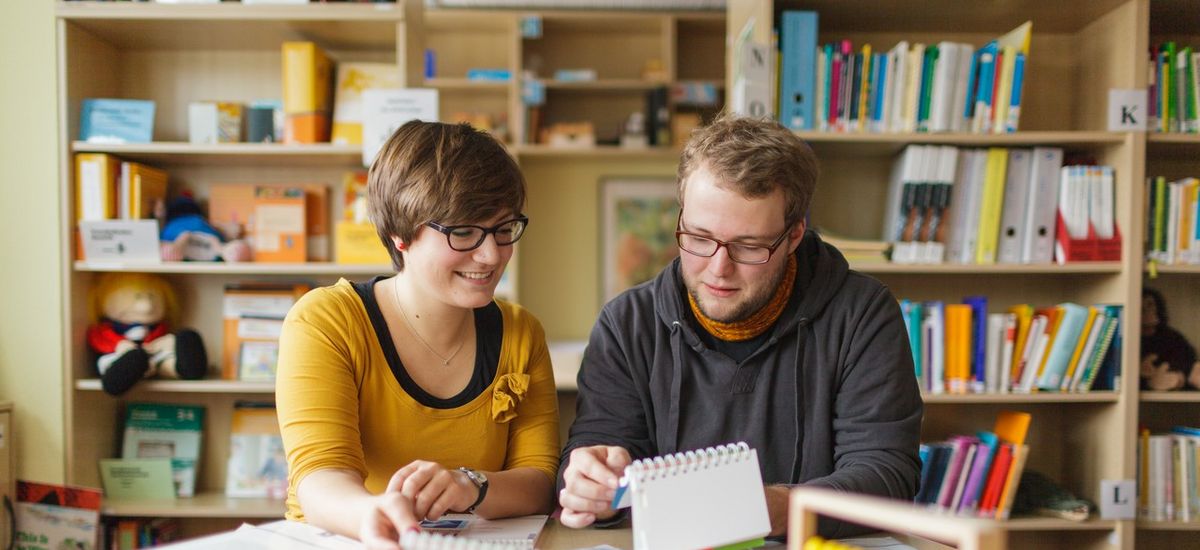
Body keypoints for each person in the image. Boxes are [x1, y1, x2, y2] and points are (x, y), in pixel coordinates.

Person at [557, 115, 923, 538]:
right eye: (698, 237)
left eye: (748, 246)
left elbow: (887, 476)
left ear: (794, 235)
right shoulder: (627, 325)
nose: (717, 269)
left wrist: (776, 508)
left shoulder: (863, 315)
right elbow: (596, 454)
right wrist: (591, 485)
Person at [276, 121, 560, 550]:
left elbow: (538, 479)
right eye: (463, 231)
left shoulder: (521, 332)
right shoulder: (327, 321)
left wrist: (471, 487)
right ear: (399, 233)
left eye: (504, 229)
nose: (491, 255)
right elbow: (320, 475)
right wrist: (373, 514)